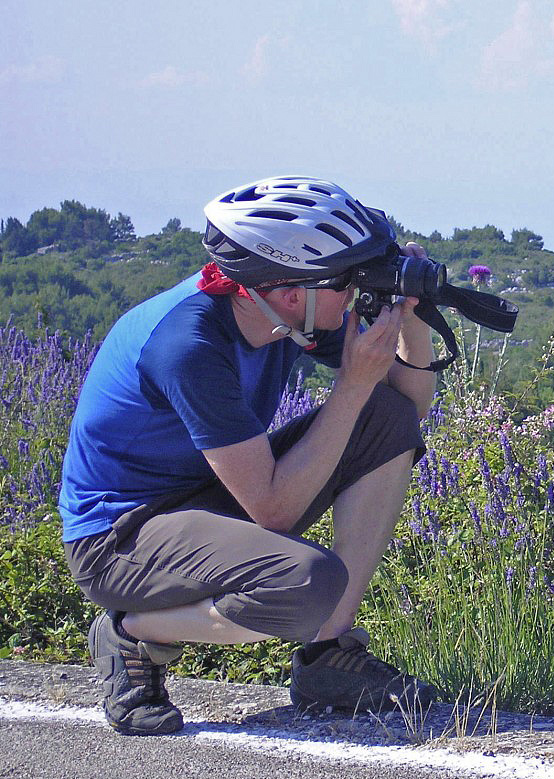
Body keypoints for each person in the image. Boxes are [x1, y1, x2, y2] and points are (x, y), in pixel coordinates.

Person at [57, 176, 438, 736]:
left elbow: (408, 406)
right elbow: (274, 511)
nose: (357, 292)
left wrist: (413, 315)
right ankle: (133, 631)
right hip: (121, 537)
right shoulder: (190, 347)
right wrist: (352, 385)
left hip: (209, 497)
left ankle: (327, 659)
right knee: (306, 583)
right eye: (347, 280)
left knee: (385, 418)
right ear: (291, 291)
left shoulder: (282, 309)